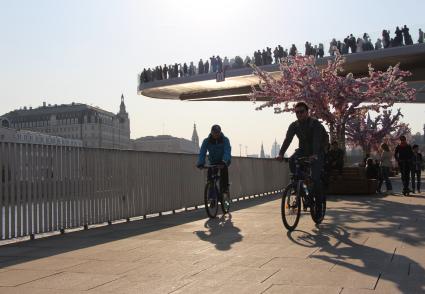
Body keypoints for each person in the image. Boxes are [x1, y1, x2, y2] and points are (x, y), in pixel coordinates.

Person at [276, 102, 328, 213]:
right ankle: (297, 187)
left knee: (315, 177)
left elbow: (316, 140)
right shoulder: (294, 125)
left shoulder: (315, 124)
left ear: (307, 112)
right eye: (297, 112)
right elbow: (288, 140)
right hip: (303, 150)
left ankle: (318, 205)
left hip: (317, 151)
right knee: (291, 160)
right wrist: (281, 154)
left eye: (301, 112)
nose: (299, 114)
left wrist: (314, 154)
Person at [197, 125, 231, 194]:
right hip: (213, 162)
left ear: (220, 132)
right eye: (215, 132)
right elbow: (202, 152)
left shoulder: (225, 140)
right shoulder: (206, 141)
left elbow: (227, 151)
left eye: (218, 132)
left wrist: (224, 161)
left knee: (224, 173)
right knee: (210, 178)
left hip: (223, 161)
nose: (216, 134)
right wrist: (200, 163)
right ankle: (212, 197)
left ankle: (225, 190)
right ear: (211, 132)